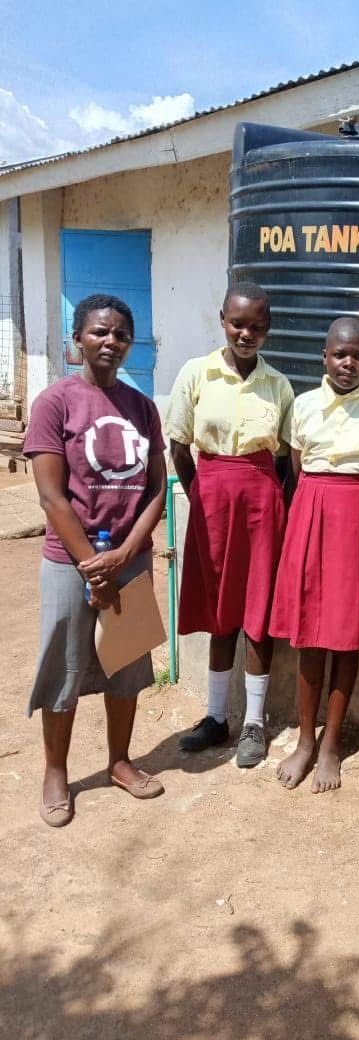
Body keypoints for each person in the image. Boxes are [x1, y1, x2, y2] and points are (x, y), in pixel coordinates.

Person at [24, 294, 167, 827]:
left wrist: (127, 553)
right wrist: (91, 567)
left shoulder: (142, 406)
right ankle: (56, 772)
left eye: (120, 335)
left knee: (126, 665)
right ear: (78, 339)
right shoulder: (55, 403)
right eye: (99, 333)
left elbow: (157, 486)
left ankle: (120, 761)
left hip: (129, 558)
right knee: (65, 665)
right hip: (70, 560)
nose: (110, 342)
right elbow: (51, 497)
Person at [165, 282, 293, 767]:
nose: (246, 333)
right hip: (212, 496)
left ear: (268, 328)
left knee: (258, 613)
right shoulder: (197, 374)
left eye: (257, 326)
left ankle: (254, 724)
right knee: (222, 610)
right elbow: (179, 446)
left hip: (262, 501)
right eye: (238, 323)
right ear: (222, 319)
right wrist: (201, 495)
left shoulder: (277, 384)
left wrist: (274, 501)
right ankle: (217, 718)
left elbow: (285, 457)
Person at [270, 317, 359, 792]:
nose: (349, 363)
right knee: (309, 635)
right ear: (324, 357)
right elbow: (299, 468)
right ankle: (304, 740)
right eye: (340, 354)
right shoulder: (303, 406)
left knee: (346, 635)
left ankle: (331, 745)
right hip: (312, 515)